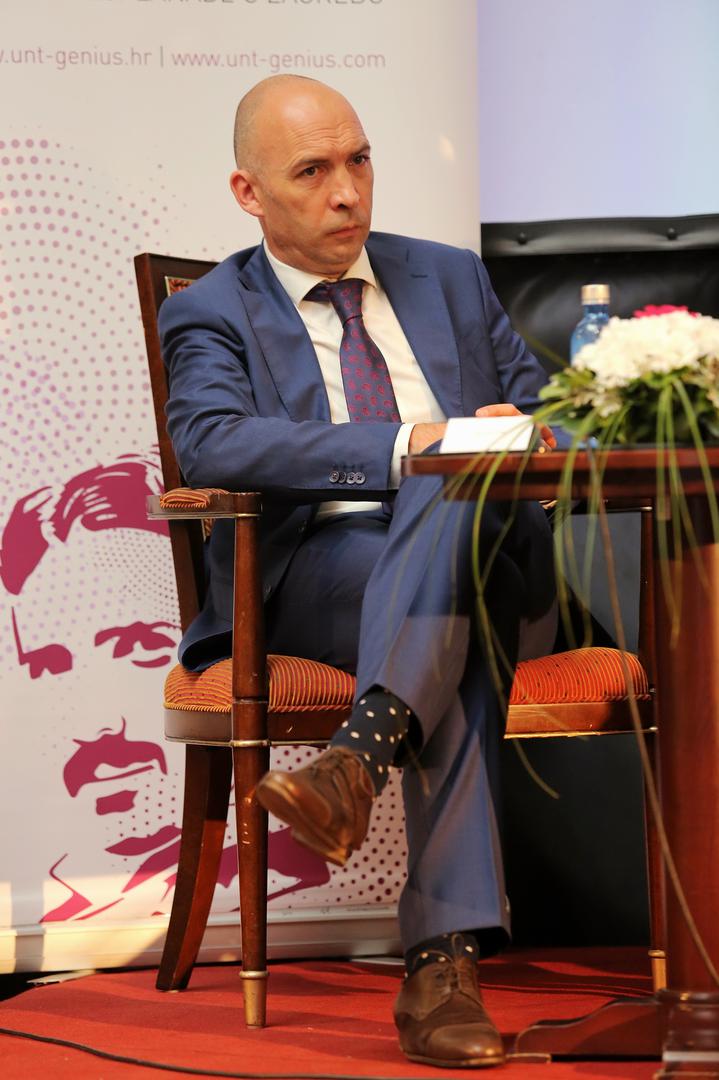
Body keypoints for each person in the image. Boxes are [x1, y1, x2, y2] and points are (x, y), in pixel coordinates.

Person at [160, 74, 557, 1069]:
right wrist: (403, 446)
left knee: (457, 487)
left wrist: (525, 433)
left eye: (359, 160)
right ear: (249, 193)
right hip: (324, 577)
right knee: (448, 584)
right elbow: (211, 441)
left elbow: (560, 411)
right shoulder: (212, 309)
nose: (346, 192)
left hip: (499, 558)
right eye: (311, 171)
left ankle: (356, 762)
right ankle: (439, 964)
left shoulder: (449, 277)